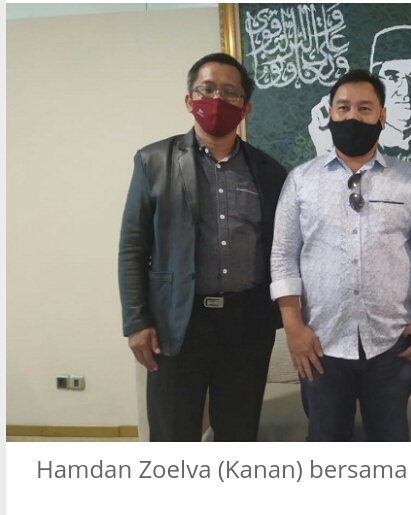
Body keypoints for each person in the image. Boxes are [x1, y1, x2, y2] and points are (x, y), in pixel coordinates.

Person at [270, 69, 411, 442]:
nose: (352, 116)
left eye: (364, 108)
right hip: (320, 342)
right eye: (343, 107)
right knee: (325, 443)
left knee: (390, 441)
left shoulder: (409, 180)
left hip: (392, 342)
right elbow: (283, 257)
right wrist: (293, 328)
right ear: (330, 114)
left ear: (381, 117)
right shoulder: (301, 180)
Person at [118, 53, 287, 441]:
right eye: (206, 89)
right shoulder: (153, 161)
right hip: (178, 321)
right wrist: (136, 321)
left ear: (245, 108)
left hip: (247, 323)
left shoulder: (269, 171)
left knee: (238, 435)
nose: (216, 100)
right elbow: (132, 247)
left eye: (229, 93)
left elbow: (281, 249)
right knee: (172, 436)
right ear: (189, 99)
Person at [308, 26, 411, 206]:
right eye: (393, 77)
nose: (405, 90)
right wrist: (326, 151)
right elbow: (338, 209)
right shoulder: (356, 148)